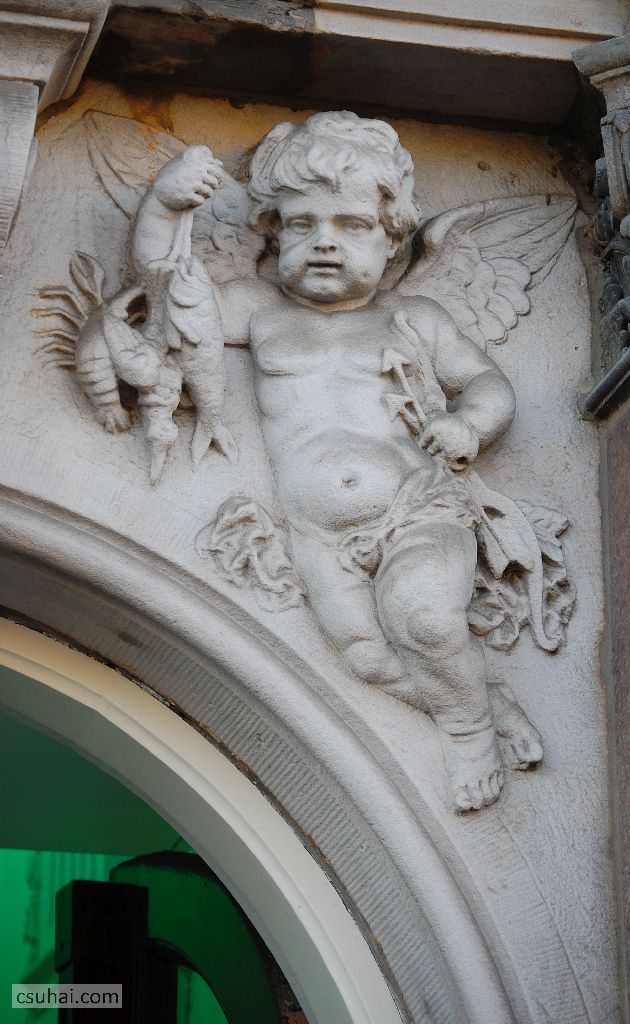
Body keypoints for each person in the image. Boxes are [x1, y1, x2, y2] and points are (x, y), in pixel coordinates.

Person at [133, 111, 519, 812]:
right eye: (302, 225)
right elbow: (170, 296)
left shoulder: (414, 317)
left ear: (392, 237)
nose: (325, 242)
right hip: (317, 533)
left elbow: (487, 384)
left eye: (352, 225)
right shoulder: (256, 309)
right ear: (273, 232)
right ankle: (480, 702)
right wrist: (165, 207)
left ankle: (466, 730)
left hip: (416, 507)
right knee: (366, 657)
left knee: (426, 621)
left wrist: (467, 425)